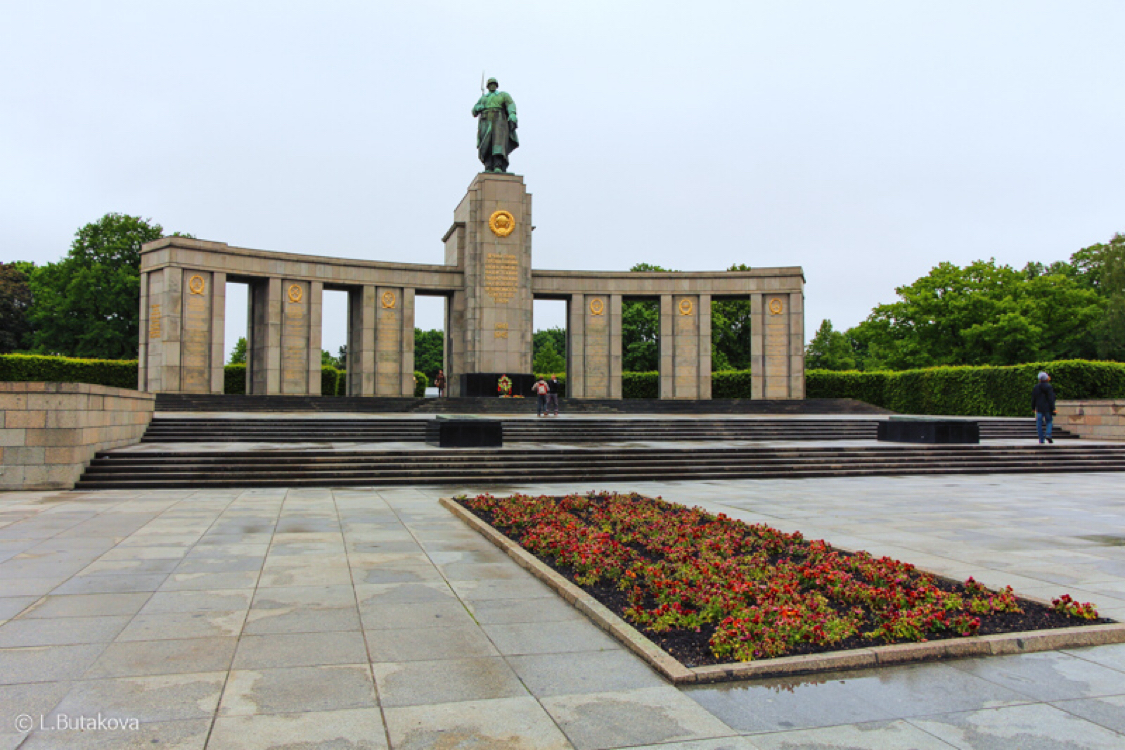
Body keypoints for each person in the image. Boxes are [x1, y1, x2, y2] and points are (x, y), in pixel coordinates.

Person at [472, 78, 518, 173]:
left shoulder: (503, 95)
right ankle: (488, 166)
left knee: (498, 144)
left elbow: (510, 104)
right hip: (485, 120)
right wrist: (478, 107)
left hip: (499, 120)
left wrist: (512, 114)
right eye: (490, 84)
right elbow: (474, 111)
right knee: (486, 144)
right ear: (487, 86)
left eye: (494, 84)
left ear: (497, 85)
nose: (492, 86)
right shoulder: (484, 98)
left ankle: (498, 165)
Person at [1032, 371, 1056, 444]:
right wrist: (1053, 408)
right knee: (1049, 421)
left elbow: (1033, 398)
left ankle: (1041, 439)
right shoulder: (1049, 387)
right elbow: (1051, 398)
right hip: (1047, 408)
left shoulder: (1036, 387)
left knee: (1039, 424)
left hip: (1039, 408)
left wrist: (1033, 407)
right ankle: (1048, 434)